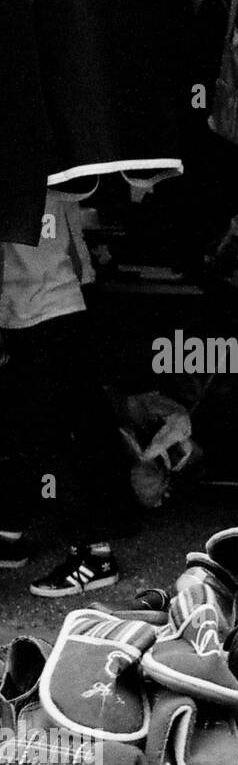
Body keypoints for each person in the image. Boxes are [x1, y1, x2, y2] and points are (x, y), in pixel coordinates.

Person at [0, 188, 125, 597]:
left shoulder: (28, 143)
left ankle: (94, 552)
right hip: (42, 299)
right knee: (28, 426)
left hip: (46, 302)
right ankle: (11, 527)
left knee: (57, 434)